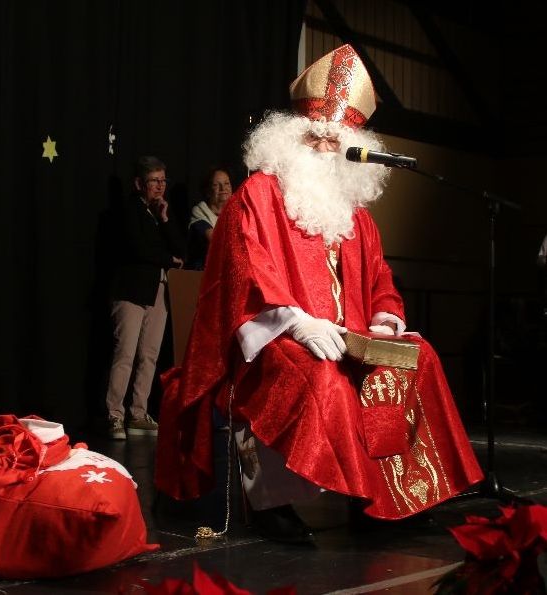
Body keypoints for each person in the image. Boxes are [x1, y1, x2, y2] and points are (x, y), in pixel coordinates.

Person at [155, 45, 483, 543]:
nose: (326, 150)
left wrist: (384, 322)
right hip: (272, 339)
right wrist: (297, 322)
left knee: (419, 360)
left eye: (336, 142)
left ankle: (391, 500)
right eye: (315, 138)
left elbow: (380, 282)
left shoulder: (356, 216)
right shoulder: (258, 197)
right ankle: (273, 503)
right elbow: (243, 275)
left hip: (349, 337)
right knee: (316, 375)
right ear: (287, 139)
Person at [105, 156, 185, 439]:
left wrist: (165, 219)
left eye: (163, 180)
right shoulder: (129, 210)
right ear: (140, 183)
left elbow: (180, 248)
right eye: (154, 181)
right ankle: (115, 415)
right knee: (125, 353)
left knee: (149, 356)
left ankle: (137, 413)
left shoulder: (160, 212)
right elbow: (136, 248)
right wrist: (168, 259)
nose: (160, 186)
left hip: (158, 289)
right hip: (131, 289)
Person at [185, 166, 233, 270]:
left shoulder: (235, 212)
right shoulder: (200, 210)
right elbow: (214, 240)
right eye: (216, 185)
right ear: (207, 191)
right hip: (202, 274)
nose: (223, 189)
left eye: (227, 183)